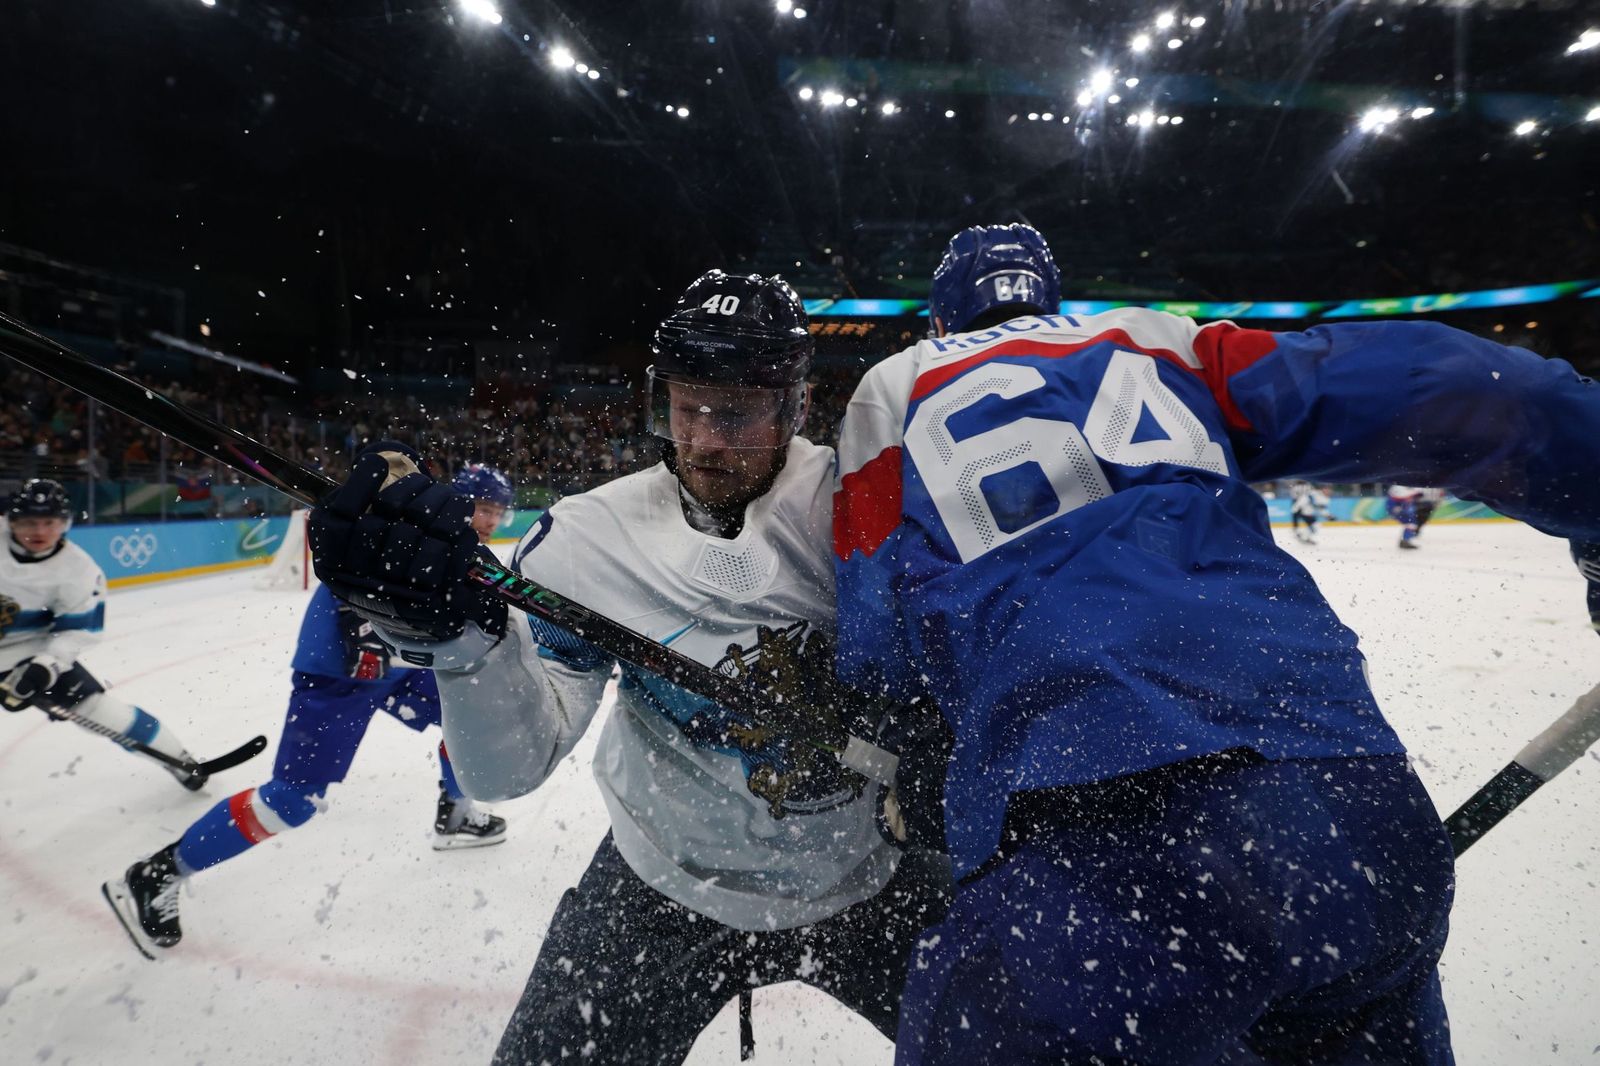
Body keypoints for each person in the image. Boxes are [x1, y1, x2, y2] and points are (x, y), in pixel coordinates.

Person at [832, 222, 1600, 1066]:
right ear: (1051, 295)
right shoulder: (1155, 337)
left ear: (940, 319)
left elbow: (877, 642)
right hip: (1346, 806)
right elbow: (1447, 381)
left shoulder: (891, 388)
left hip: (1092, 838)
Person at [309, 270, 951, 1065]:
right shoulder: (588, 541)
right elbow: (506, 773)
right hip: (661, 886)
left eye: (738, 413)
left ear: (795, 407)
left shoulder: (871, 507)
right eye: (686, 407)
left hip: (868, 875)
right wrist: (459, 644)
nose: (704, 441)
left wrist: (955, 741)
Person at [101, 465, 516, 960]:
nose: (491, 518)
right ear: (457, 500)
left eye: (497, 508)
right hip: (340, 675)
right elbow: (351, 577)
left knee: (464, 717)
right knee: (292, 801)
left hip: (399, 662)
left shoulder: (456, 543)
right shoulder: (405, 529)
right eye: (483, 506)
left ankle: (455, 815)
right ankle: (157, 873)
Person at [2, 478, 209, 789]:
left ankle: (178, 759)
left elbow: (77, 630)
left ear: (65, 523)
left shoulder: (79, 570)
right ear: (11, 521)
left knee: (96, 709)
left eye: (50, 522)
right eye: (30, 522)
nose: (40, 532)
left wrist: (46, 667)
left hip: (28, 648)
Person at [1289, 479, 1331, 543]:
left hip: (1307, 512)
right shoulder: (1314, 493)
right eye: (1326, 489)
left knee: (1315, 526)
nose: (1327, 491)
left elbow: (1322, 508)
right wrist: (1296, 508)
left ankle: (1303, 536)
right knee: (1315, 525)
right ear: (1322, 489)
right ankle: (1301, 535)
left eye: (1328, 489)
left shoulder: (1326, 499)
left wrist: (1328, 516)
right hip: (1304, 511)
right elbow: (1304, 498)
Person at [1387, 483, 1425, 548]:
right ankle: (1405, 540)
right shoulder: (1398, 488)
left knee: (1411, 523)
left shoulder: (1413, 490)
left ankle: (1405, 540)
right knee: (1411, 523)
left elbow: (1419, 496)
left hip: (1402, 509)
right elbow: (1392, 499)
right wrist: (1394, 507)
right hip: (1398, 509)